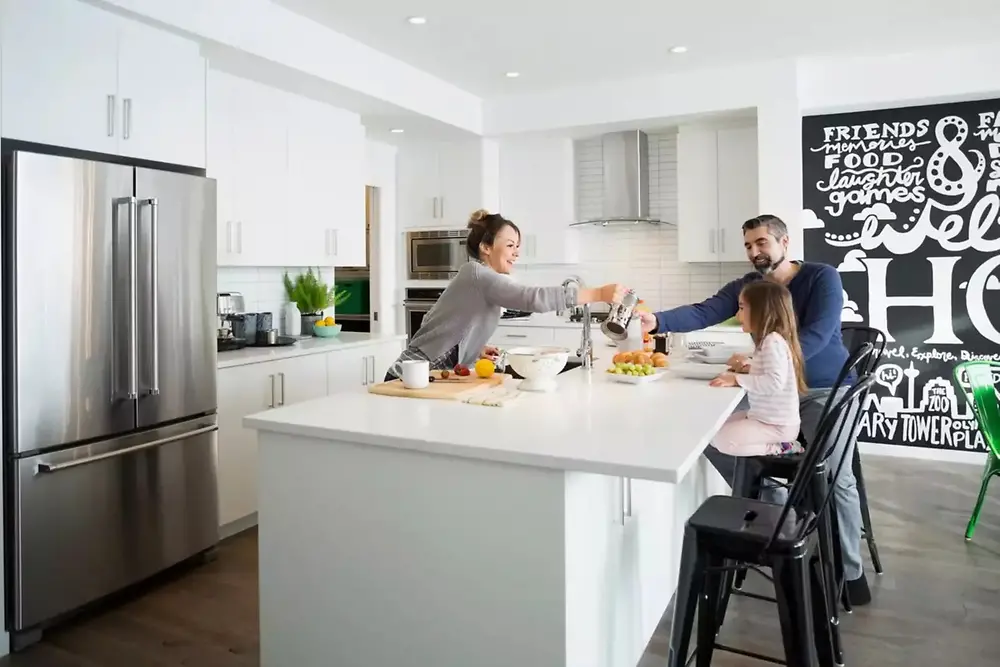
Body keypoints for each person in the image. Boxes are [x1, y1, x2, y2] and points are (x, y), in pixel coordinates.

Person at [638, 214, 872, 606]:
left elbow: (815, 334)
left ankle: (849, 574)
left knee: (836, 476)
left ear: (784, 241)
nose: (754, 252)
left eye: (761, 243)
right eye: (748, 245)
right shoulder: (750, 286)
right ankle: (780, 508)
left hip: (822, 391)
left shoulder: (822, 277)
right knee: (708, 434)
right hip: (772, 395)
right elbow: (704, 310)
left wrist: (762, 365)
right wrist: (656, 319)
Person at [385, 209, 627, 381]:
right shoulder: (476, 273)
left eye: (517, 246)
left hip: (437, 375)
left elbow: (444, 323)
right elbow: (532, 298)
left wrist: (475, 348)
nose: (517, 252)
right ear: (486, 247)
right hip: (411, 373)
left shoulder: (479, 278)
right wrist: (598, 292)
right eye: (510, 245)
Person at [708, 280, 806, 457]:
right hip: (764, 418)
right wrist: (749, 366)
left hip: (777, 425)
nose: (738, 315)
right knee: (713, 432)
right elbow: (771, 372)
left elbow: (774, 382)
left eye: (742, 308)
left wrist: (736, 379)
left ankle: (781, 447)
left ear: (762, 310)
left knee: (723, 440)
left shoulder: (772, 342)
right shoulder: (770, 340)